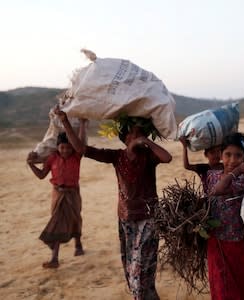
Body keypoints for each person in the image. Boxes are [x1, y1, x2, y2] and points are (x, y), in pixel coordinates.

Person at [56, 107, 172, 300]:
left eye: (141, 133)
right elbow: (81, 149)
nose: (138, 136)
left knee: (141, 273)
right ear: (125, 137)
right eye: (134, 133)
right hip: (126, 220)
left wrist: (146, 141)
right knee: (131, 272)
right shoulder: (116, 157)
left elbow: (167, 157)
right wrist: (65, 121)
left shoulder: (149, 157)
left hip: (149, 220)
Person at [205, 132, 244, 300]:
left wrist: (238, 171)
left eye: (238, 155)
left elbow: (220, 190)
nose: (232, 160)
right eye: (228, 154)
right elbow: (212, 193)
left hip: (236, 242)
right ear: (221, 155)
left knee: (243, 283)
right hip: (215, 241)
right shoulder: (211, 175)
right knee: (221, 287)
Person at [26, 119, 88, 269]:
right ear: (57, 147)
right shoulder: (52, 158)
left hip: (73, 193)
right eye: (62, 147)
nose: (65, 150)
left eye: (68, 148)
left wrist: (82, 124)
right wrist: (31, 164)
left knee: (75, 218)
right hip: (57, 194)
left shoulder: (76, 156)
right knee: (57, 222)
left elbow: (80, 142)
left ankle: (77, 244)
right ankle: (54, 258)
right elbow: (41, 175)